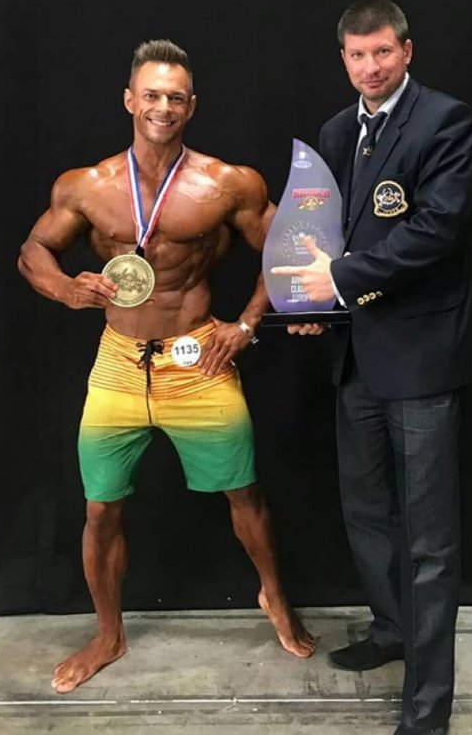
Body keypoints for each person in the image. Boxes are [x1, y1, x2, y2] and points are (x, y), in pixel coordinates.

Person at [18, 38, 315, 694]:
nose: (163, 107)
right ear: (130, 100)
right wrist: (65, 288)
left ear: (192, 106)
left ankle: (273, 595)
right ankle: (108, 633)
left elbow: (292, 249)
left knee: (245, 493)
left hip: (197, 357)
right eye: (151, 95)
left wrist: (246, 325)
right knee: (101, 509)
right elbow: (33, 251)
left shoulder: (228, 183)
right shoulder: (85, 186)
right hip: (119, 363)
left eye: (175, 97)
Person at [272, 0, 472, 735]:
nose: (370, 67)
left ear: (407, 51)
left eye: (383, 52)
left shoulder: (444, 122)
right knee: (366, 514)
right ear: (344, 59)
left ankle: (427, 707)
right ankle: (391, 630)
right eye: (357, 56)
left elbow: (437, 230)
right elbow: (320, 233)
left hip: (420, 358)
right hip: (355, 356)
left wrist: (339, 279)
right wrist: (312, 302)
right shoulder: (336, 132)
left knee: (428, 541)